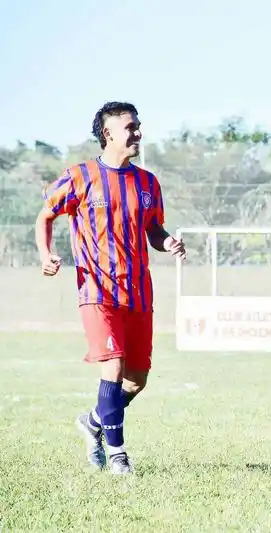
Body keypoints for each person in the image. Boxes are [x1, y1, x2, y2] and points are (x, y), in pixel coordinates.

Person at [35, 101, 186, 475]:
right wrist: (45, 253)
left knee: (136, 380)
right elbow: (46, 214)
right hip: (97, 291)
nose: (138, 133)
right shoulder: (80, 176)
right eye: (130, 127)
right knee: (113, 367)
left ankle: (93, 422)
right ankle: (117, 454)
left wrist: (166, 243)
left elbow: (153, 229)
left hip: (138, 293)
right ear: (108, 134)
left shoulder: (149, 182)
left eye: (138, 126)